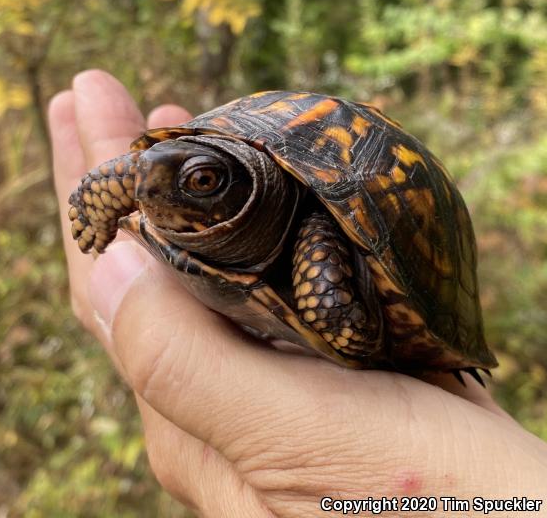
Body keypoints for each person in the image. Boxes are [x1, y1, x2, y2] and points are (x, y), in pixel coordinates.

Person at [49, 69, 547, 517]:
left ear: (245, 188)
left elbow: (330, 289)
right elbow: (135, 174)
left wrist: (344, 325)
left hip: (347, 260)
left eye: (200, 180)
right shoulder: (158, 176)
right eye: (145, 175)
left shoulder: (315, 236)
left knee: (327, 295)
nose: (149, 185)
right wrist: (106, 202)